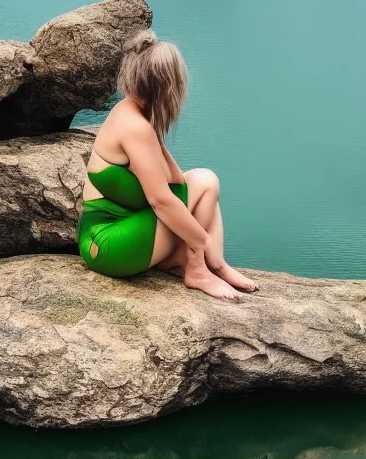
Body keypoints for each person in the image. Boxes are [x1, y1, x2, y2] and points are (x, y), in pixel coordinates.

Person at [77, 29, 258, 302]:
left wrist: (158, 136)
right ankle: (198, 267)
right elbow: (162, 200)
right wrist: (199, 243)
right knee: (205, 184)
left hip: (119, 234)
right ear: (166, 87)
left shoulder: (133, 113)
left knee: (203, 182)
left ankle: (214, 264)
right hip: (107, 245)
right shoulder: (135, 127)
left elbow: (176, 182)